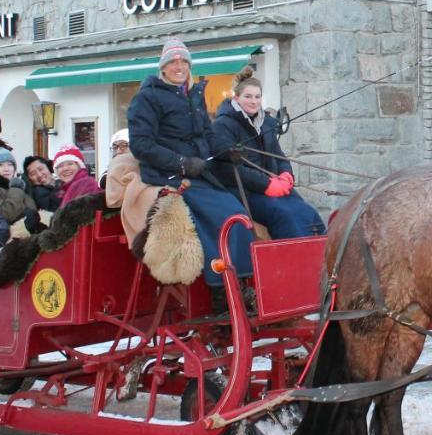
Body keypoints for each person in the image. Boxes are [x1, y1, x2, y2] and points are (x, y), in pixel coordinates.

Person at [128, 37, 253, 296]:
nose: (179, 66)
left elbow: (208, 136)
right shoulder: (147, 98)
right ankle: (222, 291)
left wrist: (226, 150)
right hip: (169, 175)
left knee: (239, 210)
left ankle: (242, 281)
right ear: (163, 67)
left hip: (200, 173)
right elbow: (141, 145)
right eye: (173, 61)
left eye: (183, 61)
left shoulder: (193, 95)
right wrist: (181, 162)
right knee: (227, 215)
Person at [212, 66, 324, 239]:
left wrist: (286, 175)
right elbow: (228, 168)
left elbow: (279, 156)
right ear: (236, 98)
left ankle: (320, 259)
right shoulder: (223, 125)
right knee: (285, 215)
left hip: (274, 186)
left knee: (309, 213)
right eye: (248, 96)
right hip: (246, 191)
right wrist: (266, 184)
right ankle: (292, 260)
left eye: (257, 97)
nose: (253, 101)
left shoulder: (266, 124)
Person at [0, 148, 39, 227]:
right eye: (0, 165)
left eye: (10, 164)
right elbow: (6, 215)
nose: (6, 169)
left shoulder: (22, 185)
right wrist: (16, 188)